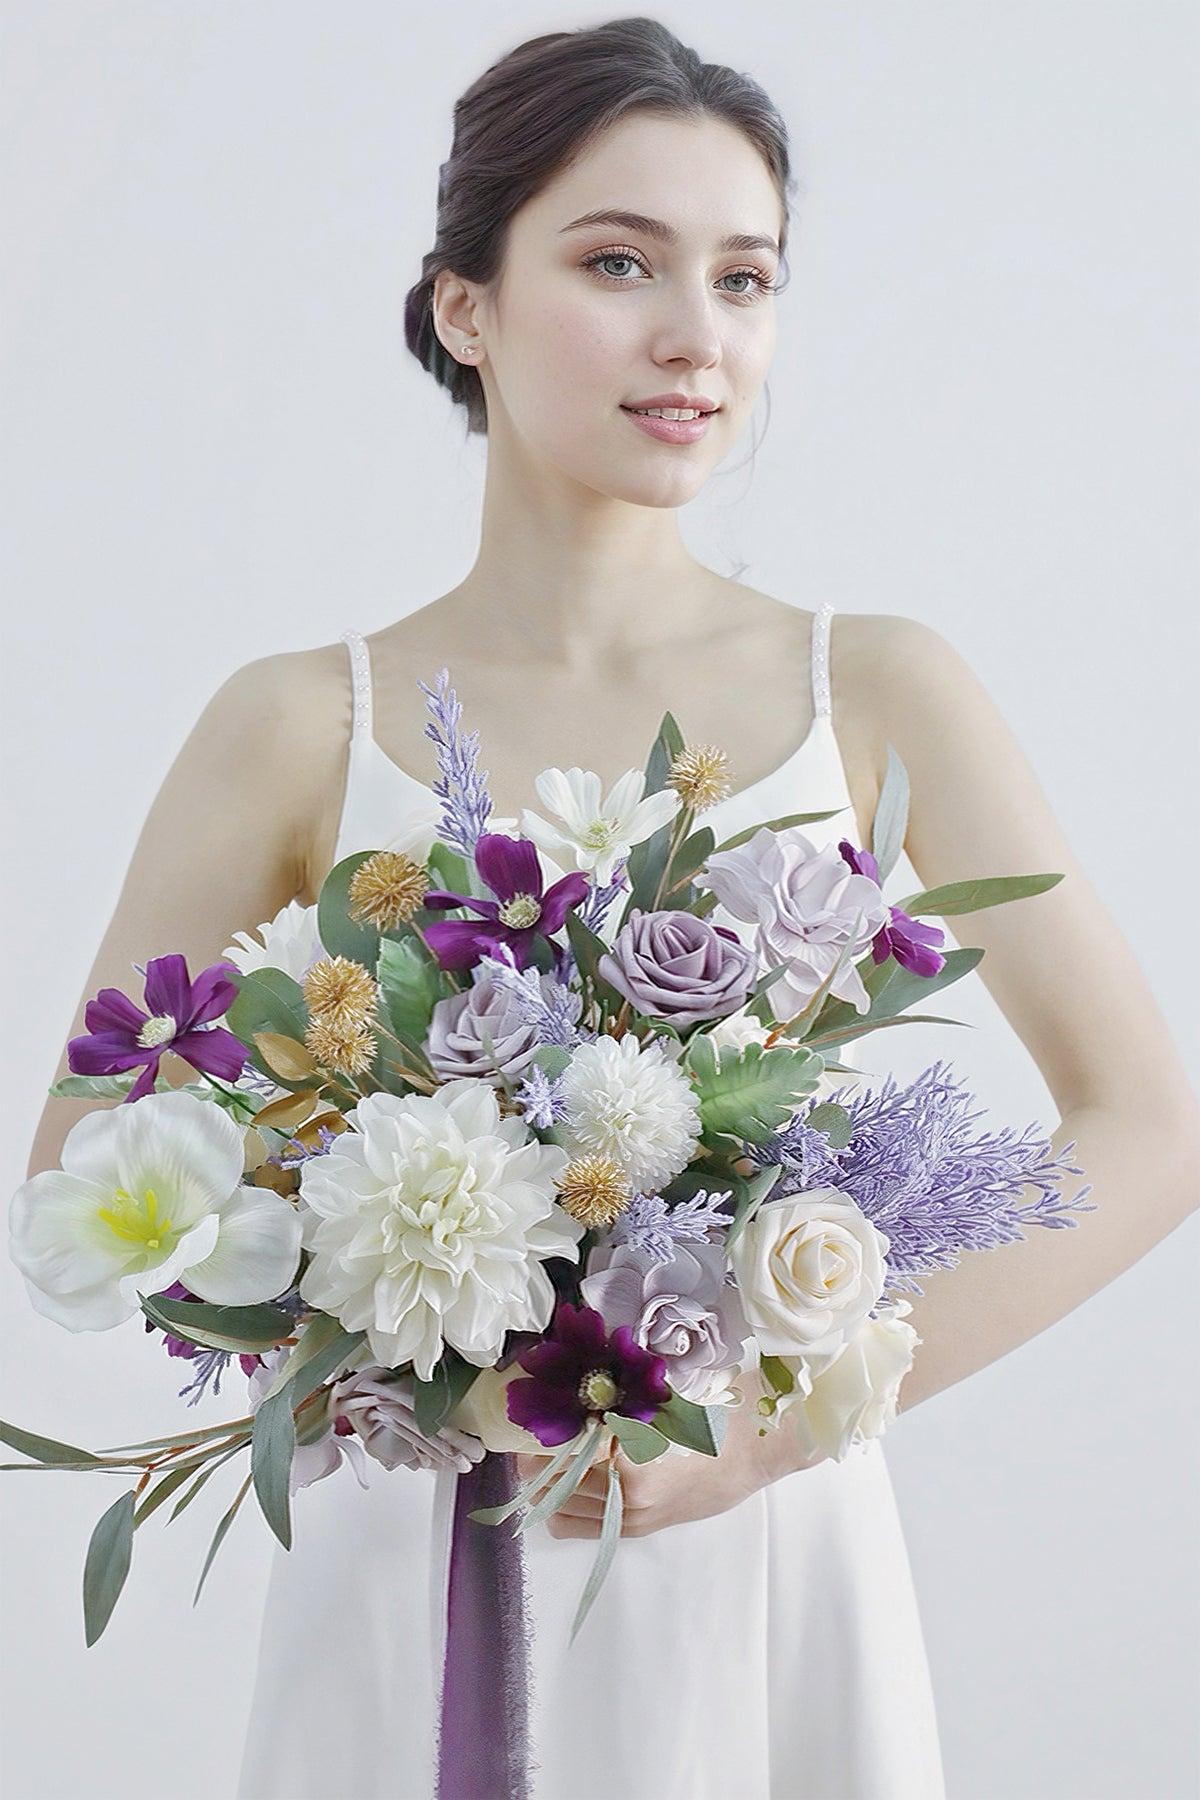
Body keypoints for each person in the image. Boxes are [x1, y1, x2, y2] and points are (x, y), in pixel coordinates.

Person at [23, 18, 1199, 1800]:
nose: (695, 338)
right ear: (462, 307)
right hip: (420, 1558)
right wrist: (409, 1326)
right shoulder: (296, 719)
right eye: (617, 261)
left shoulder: (872, 686)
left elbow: (1151, 1125)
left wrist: (770, 1426)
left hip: (759, 1560)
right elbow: (82, 1168)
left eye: (745, 278)